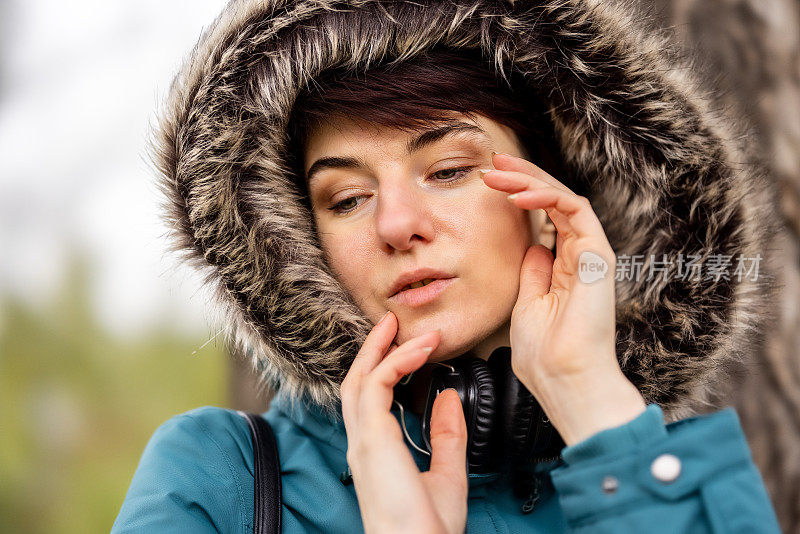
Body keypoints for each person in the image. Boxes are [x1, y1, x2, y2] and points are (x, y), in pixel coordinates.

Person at [112, 0, 783, 532]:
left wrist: (590, 395)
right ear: (299, 244)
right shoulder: (218, 477)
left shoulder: (678, 480)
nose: (396, 224)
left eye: (450, 169)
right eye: (346, 199)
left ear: (548, 199)